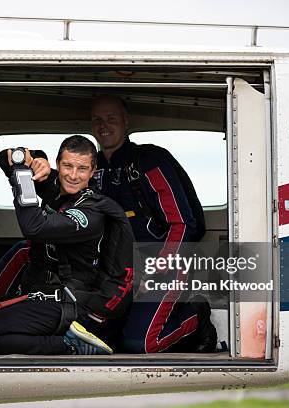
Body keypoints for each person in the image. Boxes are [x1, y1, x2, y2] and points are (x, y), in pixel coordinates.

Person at [89, 95, 216, 354]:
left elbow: (183, 224)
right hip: (119, 273)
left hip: (162, 265)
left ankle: (196, 315)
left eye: (111, 118)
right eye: (97, 120)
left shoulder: (149, 160)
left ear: (126, 122)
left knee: (141, 345)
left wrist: (157, 268)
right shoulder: (92, 168)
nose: (104, 125)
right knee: (104, 343)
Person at [0, 135, 134, 355]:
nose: (74, 175)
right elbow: (5, 158)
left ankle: (69, 346)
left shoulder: (91, 211)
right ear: (58, 164)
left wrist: (23, 178)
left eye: (82, 169)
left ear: (92, 172)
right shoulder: (56, 185)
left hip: (72, 304)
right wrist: (35, 160)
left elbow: (34, 227)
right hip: (45, 294)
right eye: (67, 166)